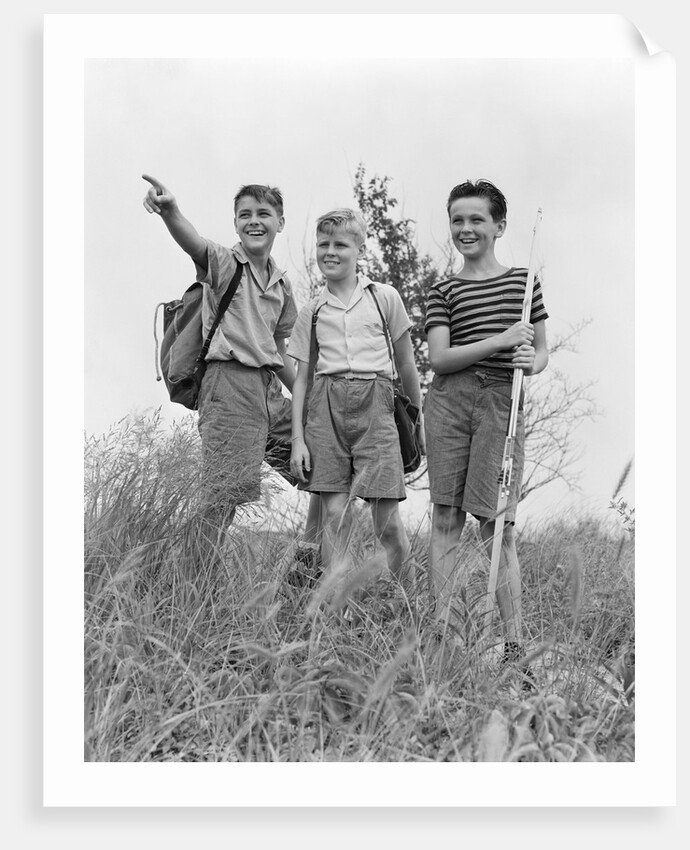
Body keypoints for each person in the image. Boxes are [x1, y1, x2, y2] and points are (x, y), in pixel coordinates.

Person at [142, 174, 321, 564]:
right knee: (223, 496)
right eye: (245, 215)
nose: (254, 221)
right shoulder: (225, 263)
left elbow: (278, 349)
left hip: (268, 389)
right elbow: (195, 243)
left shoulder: (282, 285)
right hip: (228, 385)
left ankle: (307, 565)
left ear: (280, 222)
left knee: (322, 466)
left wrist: (306, 399)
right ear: (236, 222)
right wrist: (171, 211)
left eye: (264, 214)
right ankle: (189, 579)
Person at [423, 179, 549, 671]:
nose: (466, 228)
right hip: (449, 403)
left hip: (501, 403)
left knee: (497, 528)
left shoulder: (524, 282)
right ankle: (443, 638)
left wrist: (528, 357)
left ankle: (513, 647)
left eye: (477, 219)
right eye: (458, 219)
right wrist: (501, 340)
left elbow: (539, 353)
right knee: (445, 519)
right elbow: (439, 357)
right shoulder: (443, 289)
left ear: (498, 226)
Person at [288, 208, 424, 608]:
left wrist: (416, 419)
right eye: (323, 244)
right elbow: (302, 379)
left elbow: (407, 363)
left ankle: (407, 605)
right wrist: (299, 438)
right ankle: (336, 612)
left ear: (360, 249)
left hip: (376, 406)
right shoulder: (312, 311)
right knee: (334, 519)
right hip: (326, 409)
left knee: (387, 523)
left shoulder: (384, 299)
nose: (330, 252)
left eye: (340, 245)